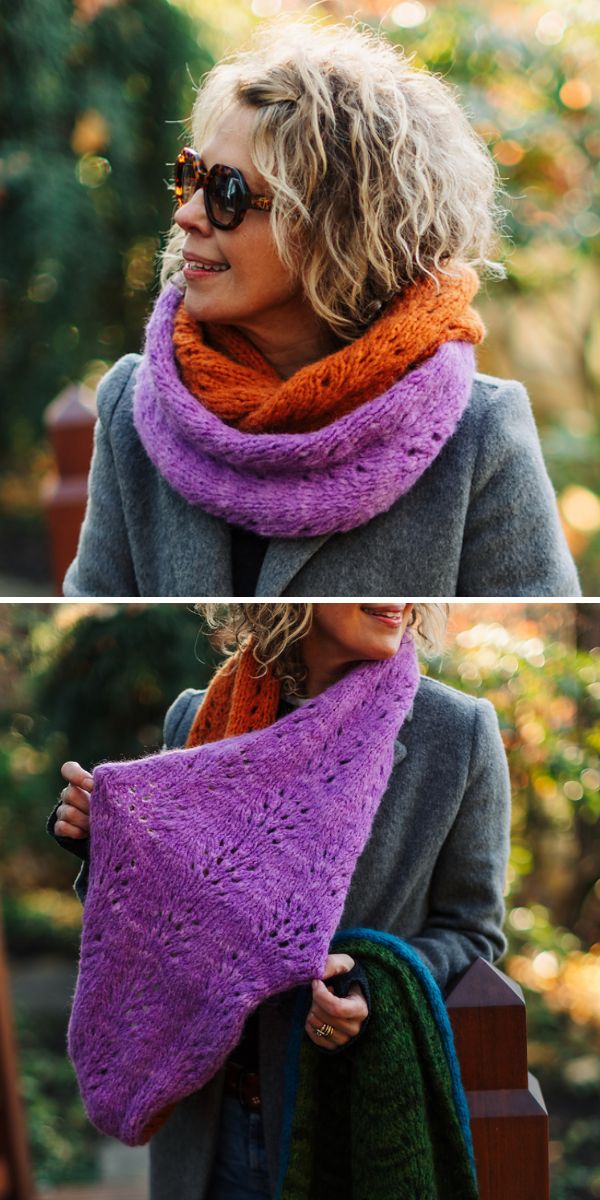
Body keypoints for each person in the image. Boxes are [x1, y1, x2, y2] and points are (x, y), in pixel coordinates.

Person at [62, 19, 580, 599]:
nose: (187, 215)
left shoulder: (480, 431)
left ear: (339, 228)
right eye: (191, 178)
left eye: (228, 192)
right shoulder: (133, 406)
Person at [47, 601, 511, 1200]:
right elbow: (163, 924)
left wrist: (372, 985)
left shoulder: (457, 734)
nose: (398, 593)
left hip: (338, 1122)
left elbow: (474, 931)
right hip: (206, 1125)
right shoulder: (199, 717)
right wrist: (104, 845)